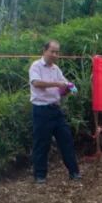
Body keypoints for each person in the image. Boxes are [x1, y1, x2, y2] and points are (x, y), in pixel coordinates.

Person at [29, 40, 81, 183]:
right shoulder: (36, 66)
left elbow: (63, 87)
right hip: (41, 110)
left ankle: (74, 172)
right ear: (44, 51)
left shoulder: (56, 69)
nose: (55, 55)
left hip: (55, 109)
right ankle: (40, 176)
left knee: (66, 140)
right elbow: (36, 83)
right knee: (42, 144)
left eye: (57, 52)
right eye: (52, 51)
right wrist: (57, 83)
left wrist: (68, 89)